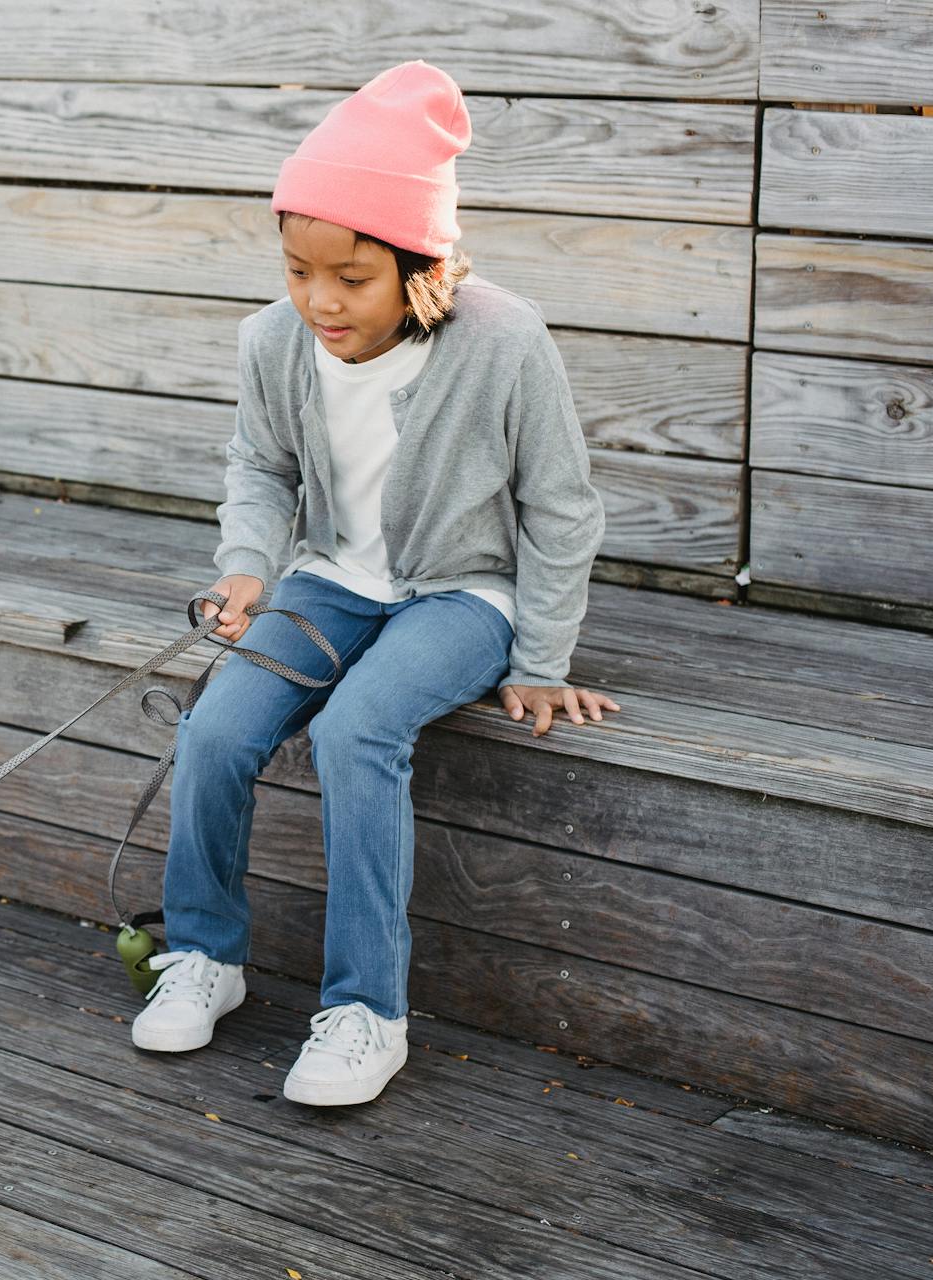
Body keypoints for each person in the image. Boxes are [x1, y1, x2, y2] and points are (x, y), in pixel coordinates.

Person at [128, 61, 622, 1106]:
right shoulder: (274, 341)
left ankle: (365, 1011)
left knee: (358, 728)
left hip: (462, 594)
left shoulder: (504, 340)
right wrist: (249, 569)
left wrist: (540, 657)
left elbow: (563, 507)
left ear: (421, 265)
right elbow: (260, 468)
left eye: (350, 280)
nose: (319, 301)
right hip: (331, 582)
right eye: (300, 271)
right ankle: (205, 955)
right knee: (216, 729)